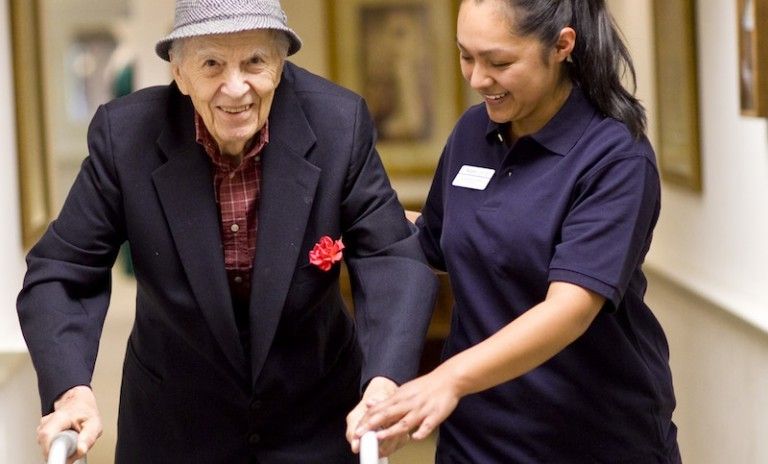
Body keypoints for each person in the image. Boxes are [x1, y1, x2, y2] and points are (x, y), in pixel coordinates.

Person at [17, 1, 437, 462]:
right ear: (179, 72)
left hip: (315, 418)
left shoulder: (339, 123)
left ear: (279, 63)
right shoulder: (126, 135)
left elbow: (390, 257)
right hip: (175, 424)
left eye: (255, 61)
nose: (235, 88)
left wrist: (384, 380)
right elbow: (62, 268)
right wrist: (70, 389)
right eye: (212, 63)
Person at [354, 0, 681, 462]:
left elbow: (569, 309)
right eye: (465, 55)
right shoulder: (474, 131)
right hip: (478, 437)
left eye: (499, 62)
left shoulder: (614, 155)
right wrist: (351, 221)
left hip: (591, 438)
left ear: (561, 46)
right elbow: (434, 238)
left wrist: (446, 379)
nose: (476, 78)